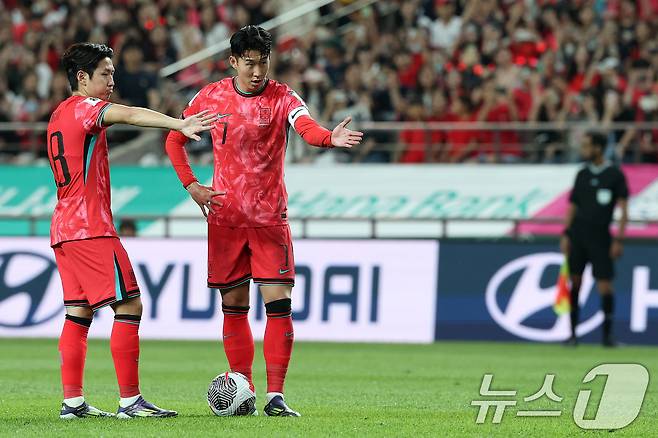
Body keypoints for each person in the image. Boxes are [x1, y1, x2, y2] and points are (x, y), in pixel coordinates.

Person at [165, 26, 363, 417]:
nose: (257, 72)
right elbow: (174, 139)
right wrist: (191, 185)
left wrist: (327, 139)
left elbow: (305, 127)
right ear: (234, 62)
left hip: (270, 219)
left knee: (279, 304)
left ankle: (275, 396)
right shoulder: (210, 97)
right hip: (225, 220)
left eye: (263, 63)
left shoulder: (282, 96)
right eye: (249, 63)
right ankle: (243, 390)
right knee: (235, 306)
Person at [48, 42, 216, 419]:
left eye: (112, 72)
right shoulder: (86, 109)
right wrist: (178, 123)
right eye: (105, 73)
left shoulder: (59, 114)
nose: (112, 79)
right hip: (91, 227)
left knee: (78, 314)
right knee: (130, 304)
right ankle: (130, 401)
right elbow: (131, 115)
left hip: (63, 227)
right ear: (82, 78)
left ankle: (73, 402)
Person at [561, 132, 629, 347]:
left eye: (587, 146)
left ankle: (607, 337)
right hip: (578, 235)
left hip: (601, 237)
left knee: (605, 286)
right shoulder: (581, 174)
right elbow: (573, 206)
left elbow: (624, 210)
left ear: (598, 148)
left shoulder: (615, 175)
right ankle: (572, 335)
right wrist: (566, 233)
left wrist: (618, 239)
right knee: (576, 283)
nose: (584, 150)